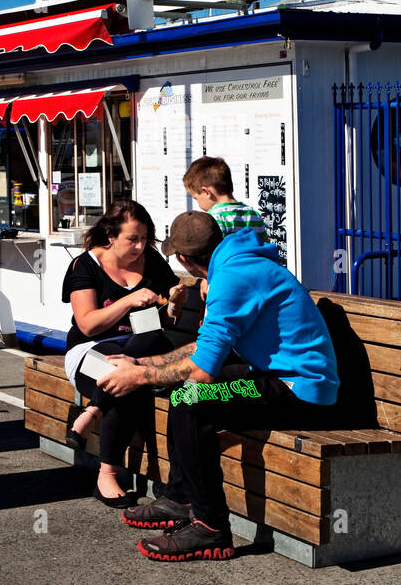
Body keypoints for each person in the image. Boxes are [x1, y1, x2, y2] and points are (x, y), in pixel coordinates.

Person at [98, 211, 340, 561]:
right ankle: (181, 499)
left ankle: (211, 527)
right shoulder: (236, 264)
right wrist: (144, 364)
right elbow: (204, 347)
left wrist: (139, 377)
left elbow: (204, 372)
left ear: (184, 259)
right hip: (276, 375)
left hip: (299, 387)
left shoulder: (232, 277)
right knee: (186, 395)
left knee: (192, 400)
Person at [61, 199, 184, 507]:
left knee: (142, 351)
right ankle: (107, 475)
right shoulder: (85, 266)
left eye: (145, 238)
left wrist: (173, 304)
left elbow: (165, 319)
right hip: (90, 351)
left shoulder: (152, 261)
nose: (141, 246)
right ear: (111, 236)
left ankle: (92, 412)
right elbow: (87, 325)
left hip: (143, 353)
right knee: (125, 382)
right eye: (133, 239)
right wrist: (127, 302)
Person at [183, 156, 266, 239]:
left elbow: (212, 249)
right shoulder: (254, 214)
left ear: (206, 192)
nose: (198, 204)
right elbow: (265, 244)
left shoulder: (213, 219)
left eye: (196, 198)